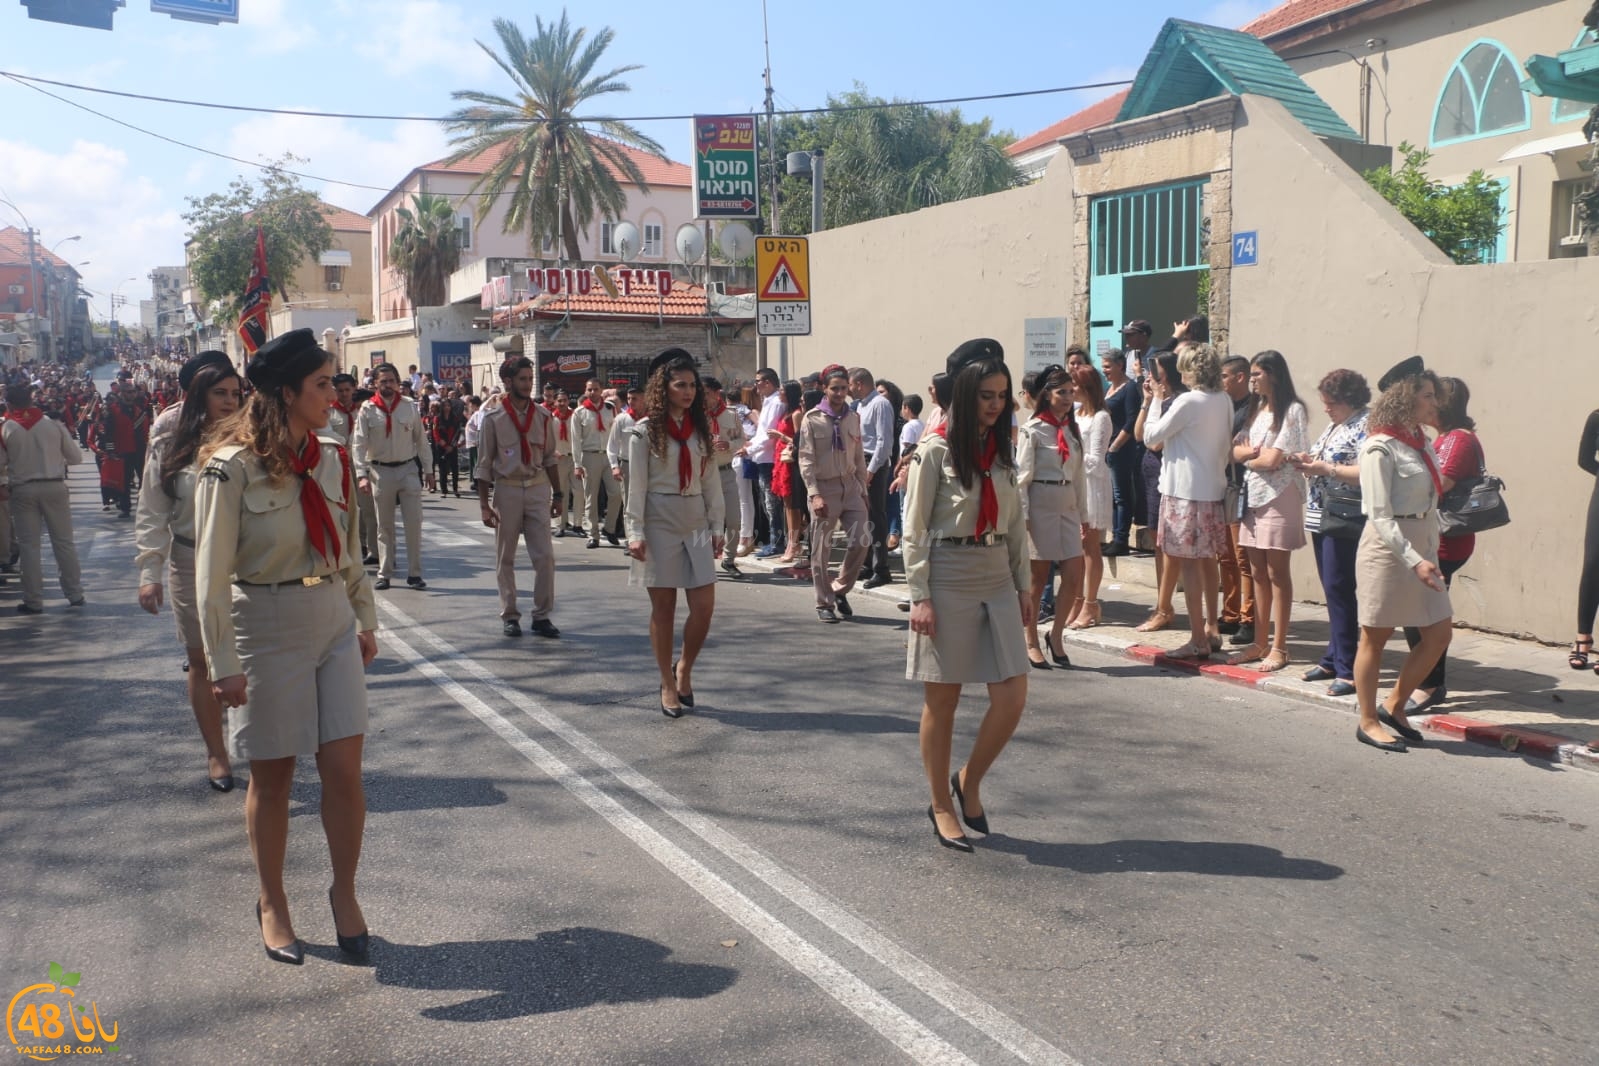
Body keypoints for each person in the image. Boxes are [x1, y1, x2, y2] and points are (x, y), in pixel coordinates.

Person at [194, 328, 377, 965]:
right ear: (286, 391)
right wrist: (222, 663)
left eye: (334, 383)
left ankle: (345, 893)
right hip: (264, 622)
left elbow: (348, 543)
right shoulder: (230, 467)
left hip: (330, 615)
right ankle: (272, 902)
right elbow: (210, 574)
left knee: (345, 774)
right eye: (323, 383)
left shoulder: (331, 455)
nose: (335, 394)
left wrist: (364, 618)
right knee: (274, 778)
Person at [903, 338, 1032, 853]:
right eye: (985, 394)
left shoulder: (1002, 451)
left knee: (1013, 695)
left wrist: (1024, 586)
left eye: (1001, 394)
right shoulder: (933, 452)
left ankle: (969, 780)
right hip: (949, 574)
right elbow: (914, 530)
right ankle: (939, 804)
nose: (995, 403)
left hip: (997, 573)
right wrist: (919, 595)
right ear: (963, 394)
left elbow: (1016, 524)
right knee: (945, 698)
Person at [136, 362, 243, 790]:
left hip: (243, 563)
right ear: (200, 396)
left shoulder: (252, 440)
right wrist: (150, 571)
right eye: (221, 393)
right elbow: (152, 509)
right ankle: (217, 753)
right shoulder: (169, 441)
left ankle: (256, 740)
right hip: (189, 558)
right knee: (200, 659)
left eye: (236, 393)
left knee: (247, 656)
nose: (230, 402)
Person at [1351, 357, 1452, 753]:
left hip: (1423, 548)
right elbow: (1378, 515)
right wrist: (1414, 558)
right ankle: (1367, 720)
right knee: (1374, 638)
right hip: (1389, 551)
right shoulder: (1379, 447)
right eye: (1427, 395)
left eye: (1434, 395)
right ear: (1405, 399)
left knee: (1439, 633)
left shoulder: (1421, 442)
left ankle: (1394, 705)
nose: (1434, 403)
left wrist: (1429, 551)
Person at [624, 349, 724, 718]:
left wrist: (717, 526)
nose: (688, 391)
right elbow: (635, 487)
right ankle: (667, 681)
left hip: (695, 518)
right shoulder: (643, 432)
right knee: (663, 608)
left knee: (704, 608)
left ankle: (685, 668)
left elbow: (710, 482)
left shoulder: (701, 432)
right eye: (680, 385)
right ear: (663, 388)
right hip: (658, 519)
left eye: (692, 385)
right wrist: (635, 531)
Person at [1141, 344, 1233, 660]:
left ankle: (1197, 639)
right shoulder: (1223, 400)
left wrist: (1154, 398)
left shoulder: (1188, 401)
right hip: (1211, 489)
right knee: (1208, 562)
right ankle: (1211, 627)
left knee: (1190, 567)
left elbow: (1151, 437)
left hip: (1184, 491)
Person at [1289, 369, 1371, 699]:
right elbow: (1325, 456)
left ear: (1349, 398)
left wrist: (1325, 469)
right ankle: (1332, 658)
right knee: (1332, 587)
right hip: (1321, 513)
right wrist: (1309, 460)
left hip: (1345, 515)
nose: (1325, 408)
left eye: (1331, 402)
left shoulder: (1364, 424)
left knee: (1340, 588)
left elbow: (1367, 472)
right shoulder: (1337, 422)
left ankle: (1348, 668)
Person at [1402, 376, 1481, 712]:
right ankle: (1427, 680)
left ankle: (1432, 683)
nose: (1427, 403)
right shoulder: (1445, 438)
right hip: (1432, 537)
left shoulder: (1459, 440)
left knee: (1426, 614)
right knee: (1417, 611)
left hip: (1445, 541)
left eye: (1433, 397)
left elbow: (1438, 485)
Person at [1228, 351, 1309, 672]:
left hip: (1280, 495)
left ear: (1274, 375)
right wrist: (1252, 455)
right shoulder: (1257, 410)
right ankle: (1259, 642)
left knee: (1277, 572)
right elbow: (1234, 449)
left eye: (1258, 374)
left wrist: (1251, 457)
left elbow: (1274, 459)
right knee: (1257, 571)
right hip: (1254, 495)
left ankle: (1280, 646)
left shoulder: (1293, 410)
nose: (1252, 379)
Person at [475, 357, 563, 639]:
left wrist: (558, 494)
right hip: (507, 488)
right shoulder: (493, 419)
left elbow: (550, 458)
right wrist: (484, 506)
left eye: (530, 378)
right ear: (509, 382)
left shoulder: (544, 417)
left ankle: (542, 615)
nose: (528, 384)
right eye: (522, 379)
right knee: (506, 557)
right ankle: (510, 614)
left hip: (537, 488)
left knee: (545, 557)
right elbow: (484, 464)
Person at [1017, 363, 1086, 669]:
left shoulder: (1072, 428)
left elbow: (1079, 474)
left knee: (1074, 574)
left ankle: (1056, 635)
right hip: (1041, 502)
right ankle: (1030, 638)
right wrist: (1024, 516)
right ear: (1047, 394)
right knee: (1038, 577)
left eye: (1071, 391)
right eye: (1062, 392)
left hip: (1068, 502)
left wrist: (1084, 514)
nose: (1068, 397)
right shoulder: (1032, 430)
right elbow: (1022, 477)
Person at [0, 382, 86, 614]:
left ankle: (33, 600)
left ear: (9, 403)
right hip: (54, 486)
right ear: (32, 399)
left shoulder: (6, 428)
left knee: (29, 546)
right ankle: (74, 593)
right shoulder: (53, 424)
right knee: (64, 542)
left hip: (23, 490)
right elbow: (76, 457)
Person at [799, 367, 871, 623]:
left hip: (850, 486)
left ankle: (839, 589)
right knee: (821, 549)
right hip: (824, 487)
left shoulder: (853, 417)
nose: (840, 393)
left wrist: (863, 488)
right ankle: (824, 603)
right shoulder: (812, 418)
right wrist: (814, 494)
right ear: (824, 389)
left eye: (844, 388)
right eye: (835, 388)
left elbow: (858, 455)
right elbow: (805, 459)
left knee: (862, 540)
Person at [353, 363, 428, 591]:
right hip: (381, 471)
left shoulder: (408, 407)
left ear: (398, 382)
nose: (388, 385)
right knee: (384, 526)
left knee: (413, 523)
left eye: (391, 381)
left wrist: (430, 470)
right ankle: (384, 573)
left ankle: (414, 574)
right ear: (375, 383)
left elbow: (421, 441)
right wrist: (361, 474)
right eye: (383, 381)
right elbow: (358, 444)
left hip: (407, 470)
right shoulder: (367, 409)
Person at [1132, 352, 1182, 633]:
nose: (1150, 378)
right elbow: (1140, 434)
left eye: (1155, 373)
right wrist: (1147, 401)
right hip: (1151, 475)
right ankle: (1162, 603)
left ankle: (1165, 606)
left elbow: (1155, 443)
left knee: (1166, 543)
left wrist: (1158, 402)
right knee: (1155, 538)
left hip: (1166, 475)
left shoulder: (1176, 404)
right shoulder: (1156, 402)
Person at [1064, 366, 1111, 630]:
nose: (1071, 391)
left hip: (1092, 485)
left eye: (1075, 386)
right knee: (1076, 548)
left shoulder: (1101, 417)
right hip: (1075, 485)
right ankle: (1078, 599)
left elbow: (1097, 459)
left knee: (1090, 546)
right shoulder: (1075, 414)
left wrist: (1071, 456)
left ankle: (1091, 603)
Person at [1216, 356, 1255, 641]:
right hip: (1223, 484)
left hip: (1244, 486)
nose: (1221, 381)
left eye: (1225, 376)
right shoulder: (1223, 405)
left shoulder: (1254, 407)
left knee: (1243, 558)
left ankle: (1248, 617)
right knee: (1226, 555)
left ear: (1240, 377)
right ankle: (1230, 613)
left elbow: (1244, 447)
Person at [849, 367, 896, 589]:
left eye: (849, 385)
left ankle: (881, 568)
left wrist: (871, 470)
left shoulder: (880, 404)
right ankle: (867, 563)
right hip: (861, 461)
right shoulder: (861, 405)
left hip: (873, 464)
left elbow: (883, 441)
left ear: (859, 384)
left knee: (876, 516)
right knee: (863, 516)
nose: (847, 390)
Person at [703, 377, 748, 579]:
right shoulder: (694, 416)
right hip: (703, 473)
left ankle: (728, 559)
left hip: (726, 471)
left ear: (716, 393)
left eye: (706, 392)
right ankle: (703, 559)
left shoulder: (731, 414)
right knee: (704, 520)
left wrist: (729, 445)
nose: (703, 397)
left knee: (734, 519)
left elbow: (742, 439)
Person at [1102, 348, 1143, 557]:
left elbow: (1131, 419)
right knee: (1111, 495)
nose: (1105, 371)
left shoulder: (1130, 389)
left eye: (1108, 366)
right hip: (1108, 449)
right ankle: (1113, 536)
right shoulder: (1109, 388)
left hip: (1121, 449)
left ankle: (1121, 538)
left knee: (1121, 494)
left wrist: (1115, 446)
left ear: (1119, 365)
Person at [573, 378, 622, 549]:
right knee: (591, 497)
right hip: (589, 456)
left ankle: (609, 528)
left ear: (601, 391)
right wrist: (577, 464)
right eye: (589, 389)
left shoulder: (610, 409)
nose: (592, 392)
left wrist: (618, 458)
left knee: (616, 493)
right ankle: (593, 534)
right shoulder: (579, 412)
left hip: (608, 456)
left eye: (595, 389)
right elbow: (575, 441)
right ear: (585, 391)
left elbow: (616, 435)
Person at [750, 368, 789, 558]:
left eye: (758, 381)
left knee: (772, 504)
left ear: (767, 382)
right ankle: (776, 541)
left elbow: (769, 434)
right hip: (761, 457)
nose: (755, 385)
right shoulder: (768, 401)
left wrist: (749, 449)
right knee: (767, 504)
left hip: (769, 459)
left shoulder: (775, 403)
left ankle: (777, 542)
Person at [548, 388, 576, 536]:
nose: (562, 403)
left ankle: (578, 524)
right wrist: (553, 451)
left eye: (565, 400)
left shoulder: (575, 416)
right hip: (559, 459)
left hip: (574, 458)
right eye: (559, 401)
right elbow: (548, 438)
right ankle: (561, 525)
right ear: (555, 402)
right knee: (561, 492)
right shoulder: (551, 418)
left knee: (579, 492)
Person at [430, 385, 466, 498]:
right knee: (442, 468)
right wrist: (443, 444)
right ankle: (444, 490)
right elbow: (435, 432)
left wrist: (452, 445)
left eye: (448, 405)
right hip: (441, 446)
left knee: (454, 467)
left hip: (452, 445)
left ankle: (455, 489)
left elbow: (458, 432)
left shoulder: (454, 418)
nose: (447, 407)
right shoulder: (437, 418)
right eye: (445, 405)